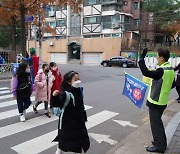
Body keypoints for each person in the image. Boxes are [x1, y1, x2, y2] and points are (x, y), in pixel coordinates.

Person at [138, 48, 175, 153]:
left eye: (157, 56)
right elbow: (172, 84)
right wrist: (162, 87)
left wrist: (141, 58)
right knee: (158, 123)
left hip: (155, 102)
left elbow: (145, 72)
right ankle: (161, 142)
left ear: (162, 58)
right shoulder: (170, 69)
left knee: (156, 125)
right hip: (162, 101)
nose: (156, 58)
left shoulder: (161, 71)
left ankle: (159, 146)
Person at [52, 71, 90, 154]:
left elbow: (81, 104)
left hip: (79, 120)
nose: (78, 81)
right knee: (65, 137)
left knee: (80, 139)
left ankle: (74, 150)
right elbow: (56, 104)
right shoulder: (65, 94)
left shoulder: (79, 90)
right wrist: (54, 96)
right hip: (67, 121)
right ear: (69, 82)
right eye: (75, 80)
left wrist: (84, 116)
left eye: (79, 79)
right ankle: (59, 148)